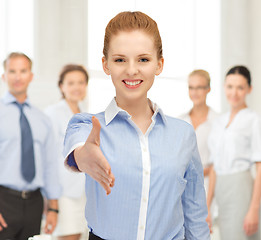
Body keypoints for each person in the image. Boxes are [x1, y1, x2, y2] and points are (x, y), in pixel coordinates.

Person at [62, 11, 210, 240]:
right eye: (120, 59)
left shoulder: (183, 134)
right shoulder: (87, 125)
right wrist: (84, 157)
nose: (131, 70)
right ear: (106, 64)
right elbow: (79, 151)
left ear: (159, 64)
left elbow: (195, 215)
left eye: (143, 59)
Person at [0, 52, 61, 240]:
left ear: (31, 76)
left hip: (35, 202)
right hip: (4, 201)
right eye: (12, 71)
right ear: (4, 76)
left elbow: (50, 164)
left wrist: (53, 208)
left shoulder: (42, 119)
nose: (18, 77)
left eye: (23, 71)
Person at [207, 66, 261, 240]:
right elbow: (214, 166)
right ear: (224, 87)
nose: (234, 93)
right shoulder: (218, 122)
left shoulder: (253, 120)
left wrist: (253, 209)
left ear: (249, 89)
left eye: (240, 87)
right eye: (230, 86)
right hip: (222, 190)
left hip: (242, 188)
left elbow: (260, 167)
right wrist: (207, 206)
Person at [45, 64, 89, 240]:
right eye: (71, 83)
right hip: (64, 192)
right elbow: (48, 158)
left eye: (81, 82)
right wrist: (51, 200)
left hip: (86, 192)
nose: (76, 87)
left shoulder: (87, 115)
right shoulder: (52, 113)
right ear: (61, 86)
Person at [179, 70, 219, 232]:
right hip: (183, 188)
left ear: (208, 89)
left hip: (209, 188)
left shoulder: (218, 121)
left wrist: (207, 207)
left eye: (200, 87)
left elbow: (217, 166)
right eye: (191, 87)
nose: (195, 92)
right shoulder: (181, 121)